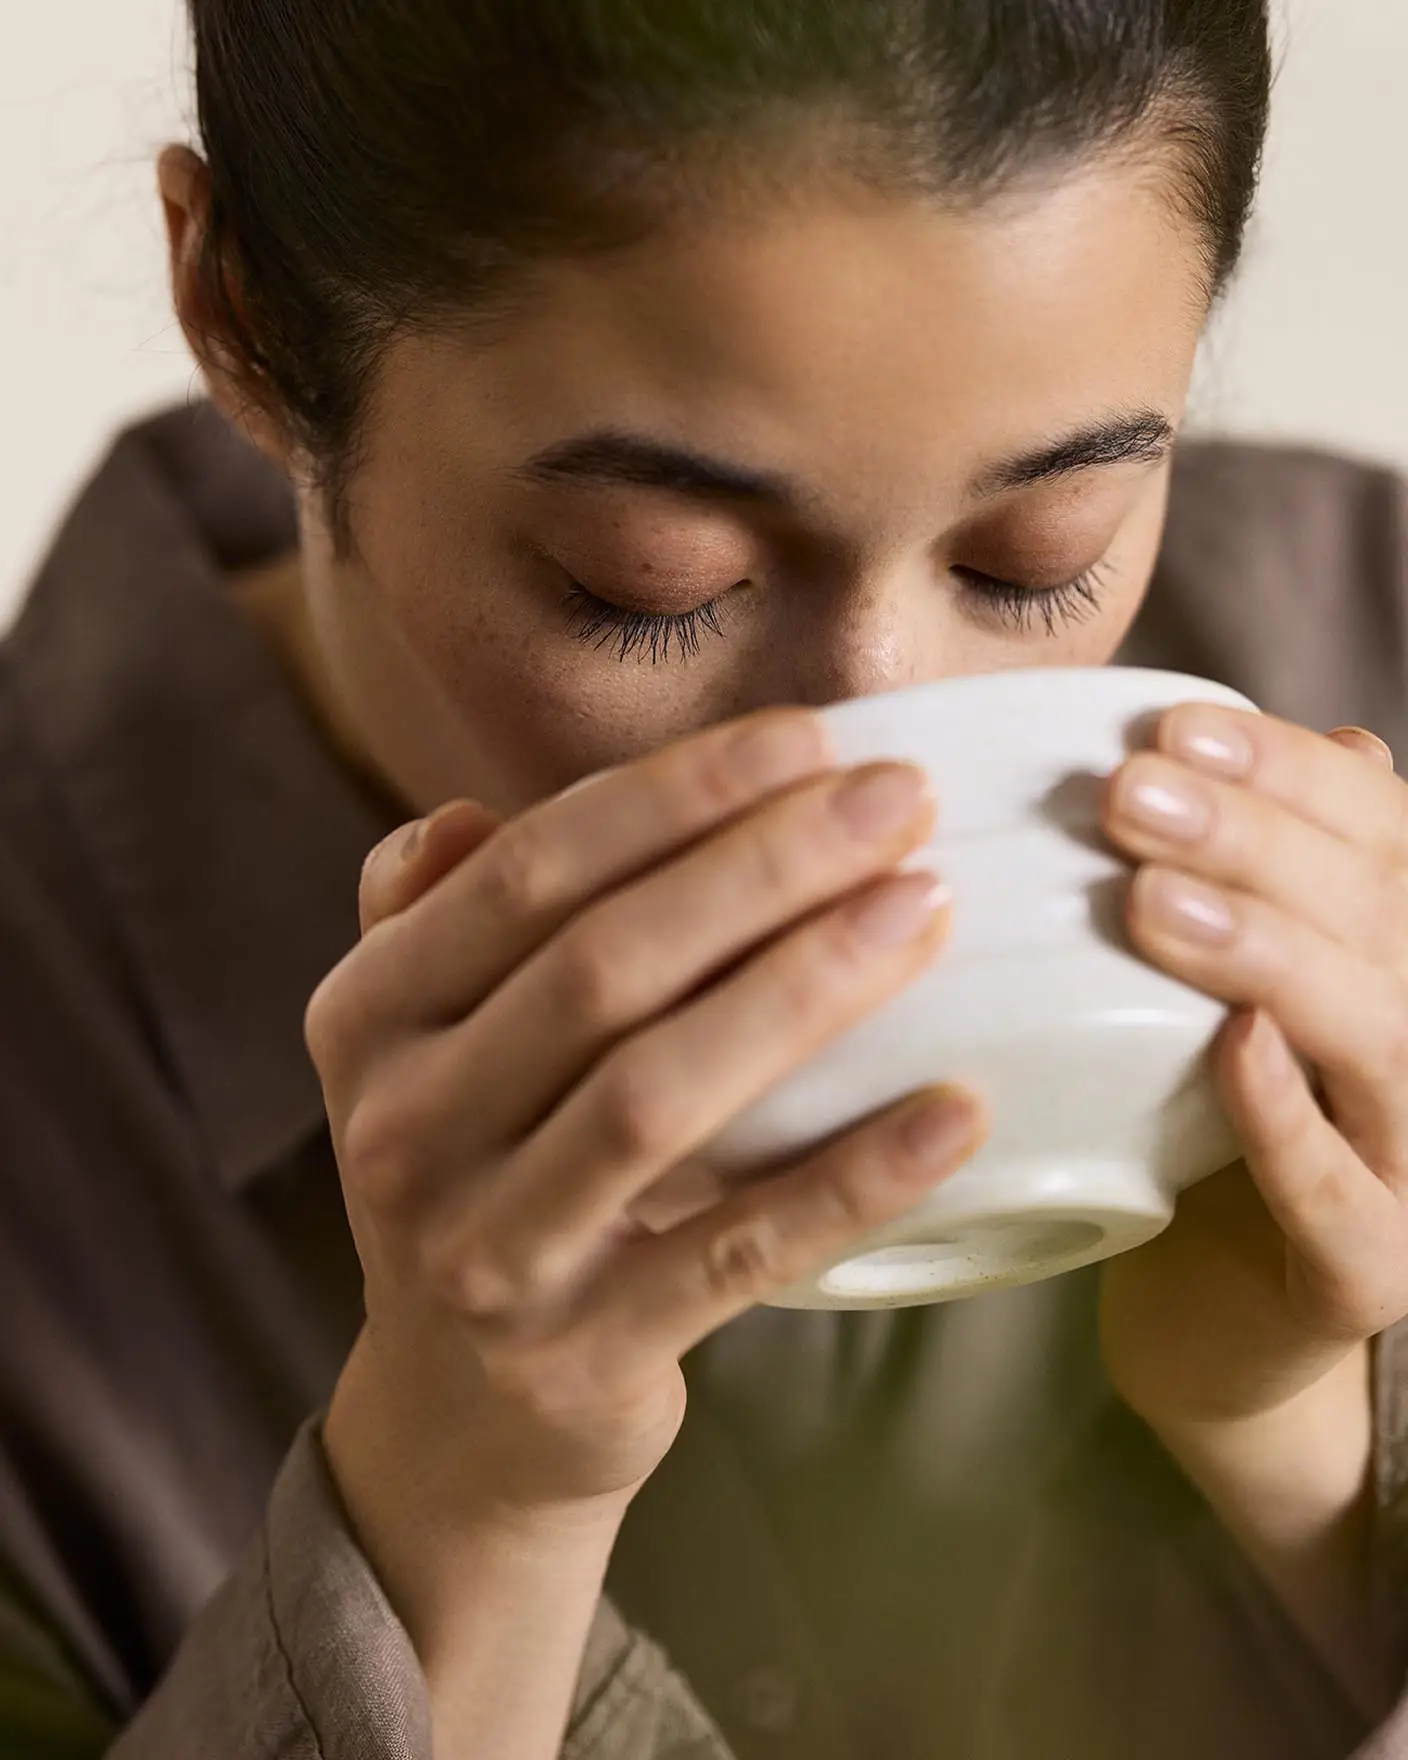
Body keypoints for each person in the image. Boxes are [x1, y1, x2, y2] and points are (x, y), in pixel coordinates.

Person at [6, 0, 1408, 1754]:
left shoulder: (1375, 648)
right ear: (250, 324)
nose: (879, 759)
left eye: (1042, 555)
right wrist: (457, 1524)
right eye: (646, 584)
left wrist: (1307, 1441)